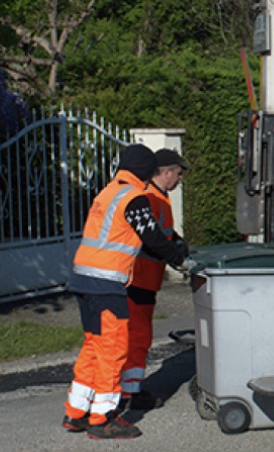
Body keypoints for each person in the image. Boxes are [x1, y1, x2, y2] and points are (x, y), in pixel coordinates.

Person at [61, 144, 189, 440]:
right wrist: (180, 259)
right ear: (146, 170)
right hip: (107, 283)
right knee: (114, 349)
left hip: (84, 279)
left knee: (93, 346)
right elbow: (152, 237)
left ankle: (76, 412)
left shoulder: (108, 192)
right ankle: (103, 418)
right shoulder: (134, 197)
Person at [119, 148, 191, 410]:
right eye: (178, 174)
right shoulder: (148, 197)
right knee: (136, 337)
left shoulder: (158, 197)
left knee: (138, 336)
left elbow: (163, 233)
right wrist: (177, 258)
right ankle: (129, 393)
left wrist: (178, 243)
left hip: (145, 279)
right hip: (137, 278)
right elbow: (150, 239)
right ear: (166, 172)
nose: (180, 179)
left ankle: (129, 389)